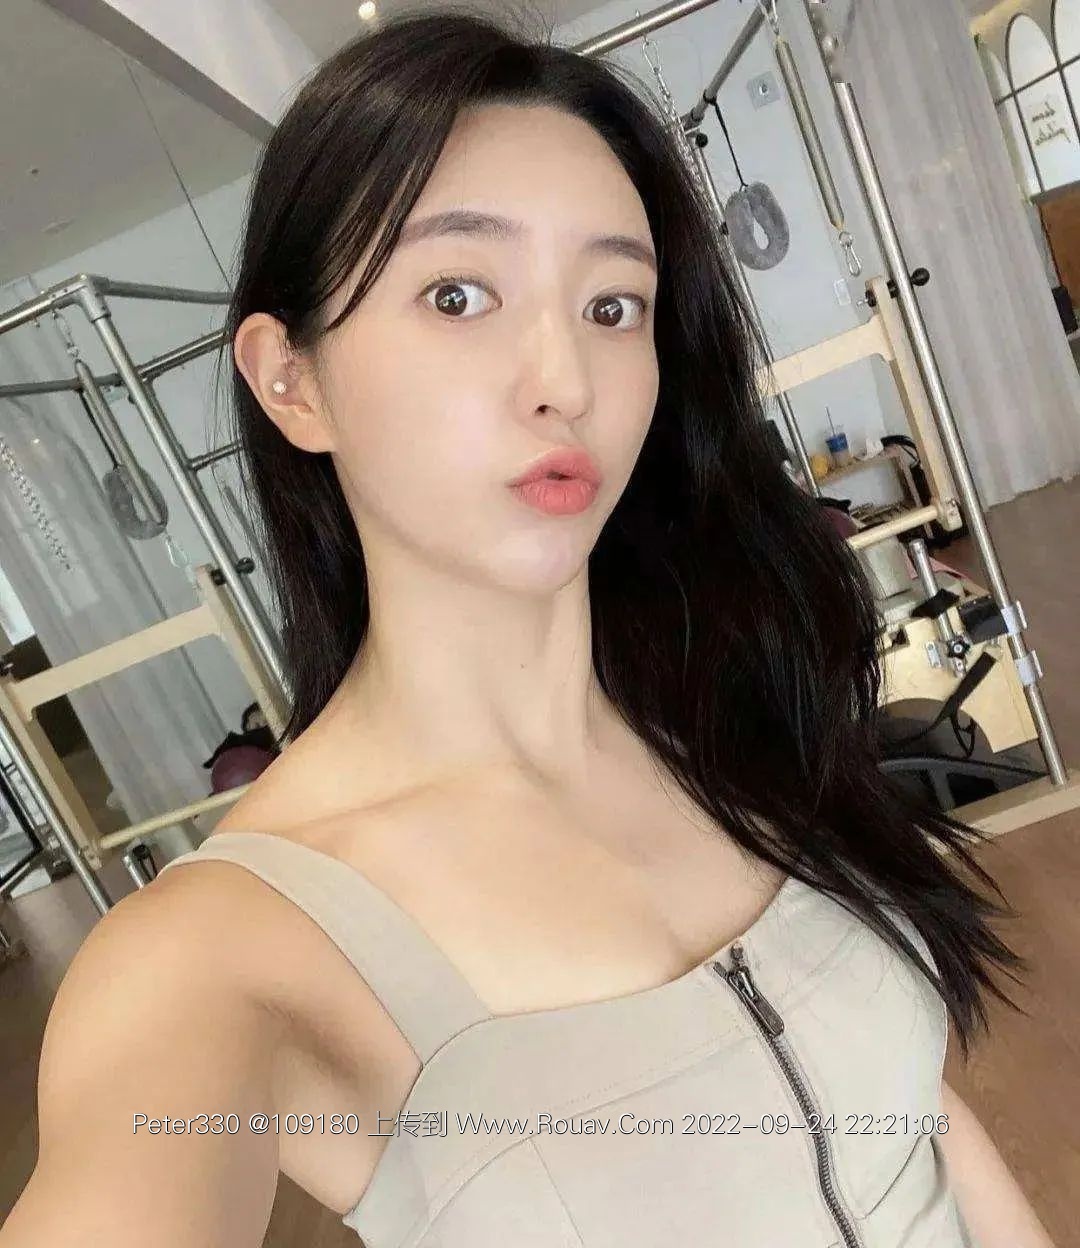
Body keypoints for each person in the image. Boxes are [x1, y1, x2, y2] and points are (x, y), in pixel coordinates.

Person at [2, 11, 1058, 1248]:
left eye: (614, 305)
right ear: (292, 380)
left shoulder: (726, 708)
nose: (565, 378)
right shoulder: (215, 958)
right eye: (458, 295)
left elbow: (916, 1114)